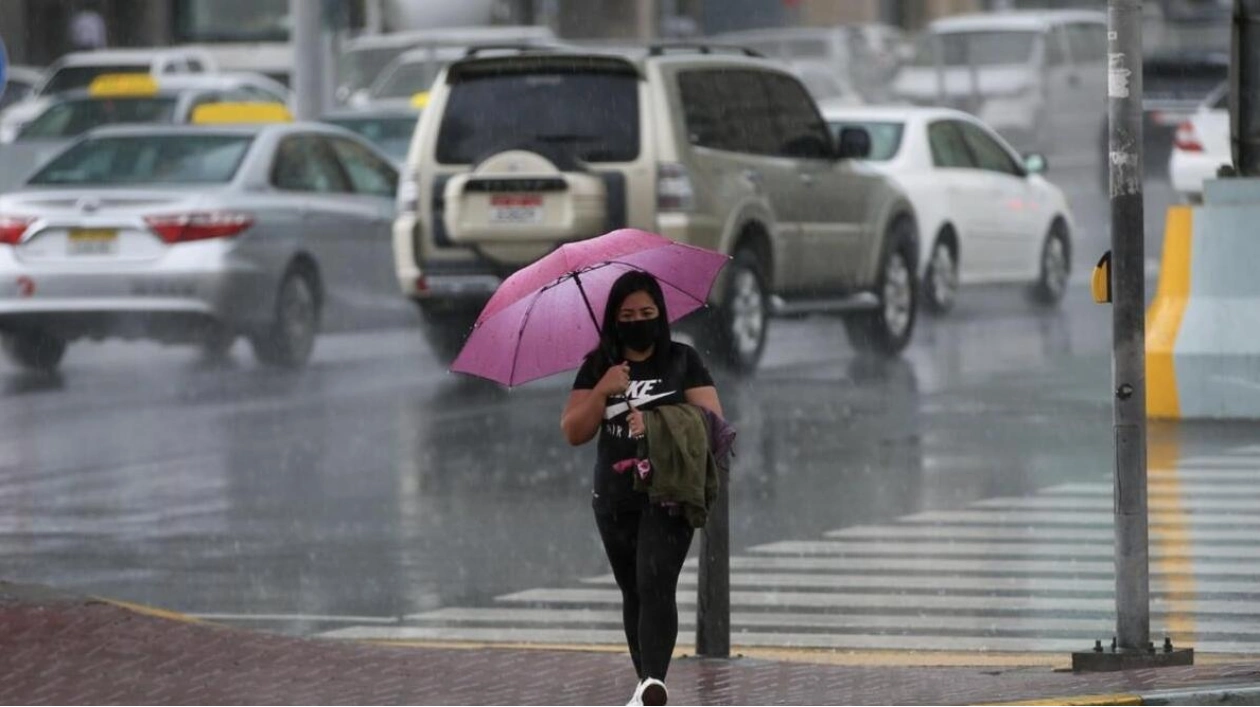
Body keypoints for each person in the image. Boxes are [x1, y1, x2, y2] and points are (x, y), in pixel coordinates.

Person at [561, 270, 723, 707]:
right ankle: (645, 686)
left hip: (668, 491)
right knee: (633, 588)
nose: (638, 321)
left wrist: (652, 425)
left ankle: (654, 681)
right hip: (614, 496)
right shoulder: (600, 366)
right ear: (615, 320)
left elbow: (712, 426)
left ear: (661, 314)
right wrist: (603, 390)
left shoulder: (682, 361)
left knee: (655, 580)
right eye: (628, 314)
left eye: (647, 312)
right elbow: (574, 431)